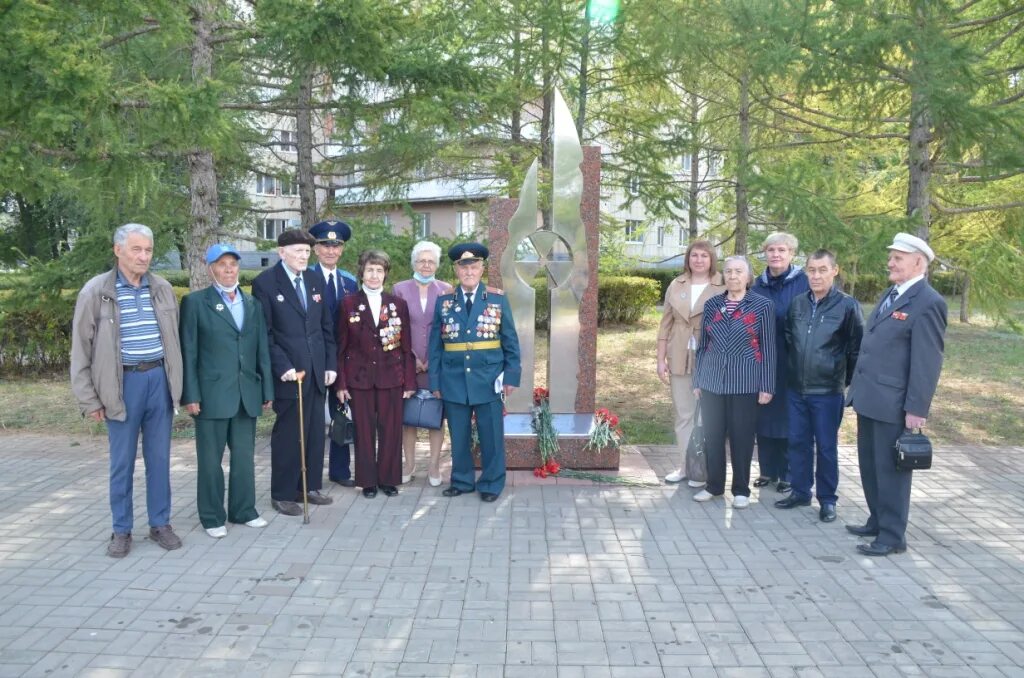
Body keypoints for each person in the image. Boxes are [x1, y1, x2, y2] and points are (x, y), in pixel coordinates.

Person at [71, 223, 184, 557]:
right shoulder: (96, 291)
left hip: (158, 382)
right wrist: (89, 398)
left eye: (148, 250)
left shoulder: (162, 288)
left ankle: (160, 524)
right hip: (121, 384)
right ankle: (121, 530)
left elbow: (174, 340)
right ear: (117, 250)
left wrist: (177, 386)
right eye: (136, 249)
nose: (143, 256)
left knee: (160, 459)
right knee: (122, 463)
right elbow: (81, 349)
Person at [846, 233, 947, 556]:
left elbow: (926, 361)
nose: (890, 262)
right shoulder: (893, 293)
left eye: (898, 258)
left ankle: (892, 536)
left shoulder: (929, 302)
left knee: (892, 471)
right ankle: (877, 519)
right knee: (871, 465)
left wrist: (916, 408)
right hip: (870, 398)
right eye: (891, 256)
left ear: (919, 262)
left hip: (894, 403)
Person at [179, 244, 275, 538]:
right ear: (211, 269)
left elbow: (261, 350)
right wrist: (190, 395)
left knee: (244, 457)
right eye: (222, 264)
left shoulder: (252, 304)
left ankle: (243, 510)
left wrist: (266, 389)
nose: (229, 269)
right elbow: (189, 351)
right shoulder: (196, 303)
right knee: (210, 461)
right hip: (211, 396)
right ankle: (211, 516)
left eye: (233, 264)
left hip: (247, 393)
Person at [251, 228, 337, 516]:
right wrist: (282, 366)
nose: (304, 256)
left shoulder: (313, 280)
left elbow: (325, 327)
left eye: (306, 251)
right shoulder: (266, 283)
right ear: (281, 252)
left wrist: (330, 365)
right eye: (298, 251)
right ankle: (283, 493)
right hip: (289, 372)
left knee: (314, 430)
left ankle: (309, 486)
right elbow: (266, 333)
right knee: (289, 433)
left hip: (316, 369)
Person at [774, 249, 863, 522]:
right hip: (796, 390)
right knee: (798, 442)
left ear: (834, 271)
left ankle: (827, 500)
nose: (816, 275)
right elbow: (789, 340)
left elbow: (856, 349)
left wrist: (843, 381)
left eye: (822, 270)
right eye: (811, 270)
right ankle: (801, 491)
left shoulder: (847, 306)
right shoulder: (798, 304)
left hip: (827, 392)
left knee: (826, 447)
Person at [428, 243, 521, 503]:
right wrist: (434, 380)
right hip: (454, 380)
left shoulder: (497, 299)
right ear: (456, 270)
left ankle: (491, 483)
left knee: (491, 435)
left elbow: (510, 341)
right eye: (463, 266)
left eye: (473, 266)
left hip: (488, 379)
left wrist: (511, 376)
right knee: (458, 436)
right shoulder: (444, 302)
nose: (468, 271)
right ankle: (462, 480)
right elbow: (435, 345)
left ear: (482, 269)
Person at [692, 255, 776, 508]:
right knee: (712, 435)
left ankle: (741, 489)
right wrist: (698, 379)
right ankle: (714, 486)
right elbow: (703, 345)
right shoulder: (711, 305)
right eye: (728, 271)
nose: (733, 276)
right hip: (712, 381)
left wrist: (767, 385)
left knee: (742, 436)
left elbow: (768, 347)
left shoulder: (762, 305)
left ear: (748, 276)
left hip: (746, 382)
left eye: (739, 271)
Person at [335, 250, 417, 497]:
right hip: (358, 379)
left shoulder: (397, 304)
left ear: (385, 274)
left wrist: (409, 382)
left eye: (379, 270)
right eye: (370, 269)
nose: (374, 275)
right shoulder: (348, 303)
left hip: (392, 378)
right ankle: (368, 481)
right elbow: (341, 347)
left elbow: (406, 347)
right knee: (364, 431)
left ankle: (389, 479)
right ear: (362, 272)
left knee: (391, 431)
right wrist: (341, 383)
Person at [656, 239, 725, 487]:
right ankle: (685, 466)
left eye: (704, 256)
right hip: (679, 356)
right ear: (688, 258)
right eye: (694, 255)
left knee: (707, 416)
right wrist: (660, 359)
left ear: (711, 260)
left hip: (711, 358)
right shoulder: (677, 284)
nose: (698, 260)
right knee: (684, 414)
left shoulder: (723, 285)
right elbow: (665, 324)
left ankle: (704, 469)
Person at [750, 232, 809, 493]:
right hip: (761, 359)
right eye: (771, 250)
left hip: (791, 359)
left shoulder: (804, 282)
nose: (776, 255)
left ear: (792, 254)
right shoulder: (757, 285)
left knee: (787, 416)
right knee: (763, 413)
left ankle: (787, 473)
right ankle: (767, 470)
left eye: (782, 250)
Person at [393, 240, 453, 486]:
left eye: (431, 261)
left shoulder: (446, 289)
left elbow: (449, 328)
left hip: (437, 364)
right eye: (422, 260)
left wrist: (431, 360)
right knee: (409, 417)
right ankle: (409, 464)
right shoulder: (400, 289)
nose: (426, 265)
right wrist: (414, 358)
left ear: (437, 264)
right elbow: (395, 326)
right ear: (414, 263)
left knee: (435, 417)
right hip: (407, 361)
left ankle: (434, 466)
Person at [308, 219, 359, 488]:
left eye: (336, 245)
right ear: (315, 248)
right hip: (313, 361)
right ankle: (311, 473)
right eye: (325, 245)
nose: (330, 250)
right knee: (314, 420)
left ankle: (340, 471)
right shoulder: (305, 278)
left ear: (342, 250)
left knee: (341, 415)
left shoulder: (350, 282)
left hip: (342, 360)